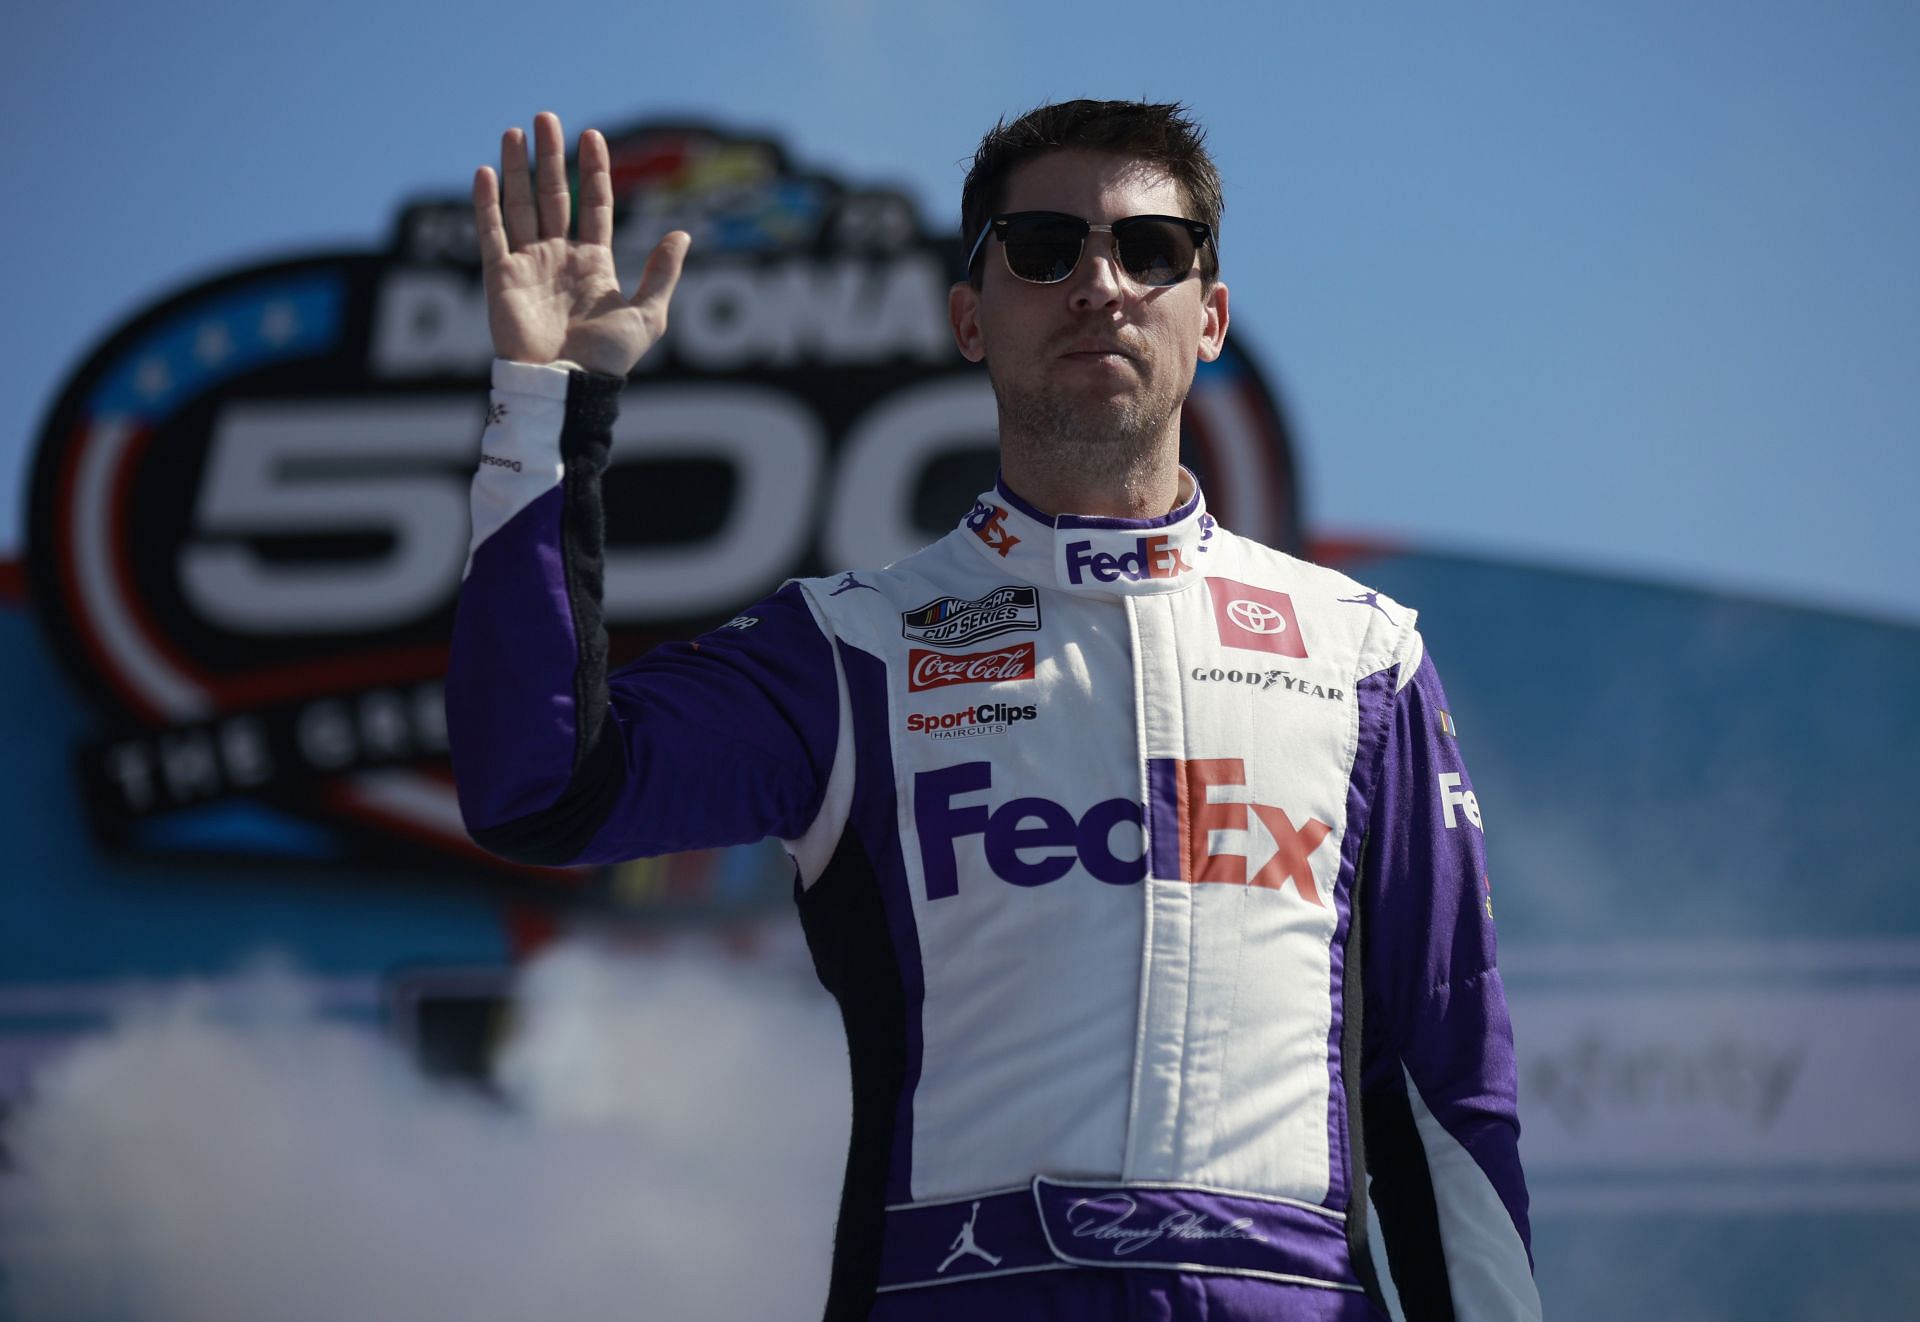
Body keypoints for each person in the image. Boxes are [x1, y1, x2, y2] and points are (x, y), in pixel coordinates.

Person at [447, 101, 1540, 1322]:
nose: (1100, 283)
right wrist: (547, 404)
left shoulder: (1361, 655)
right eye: (1043, 247)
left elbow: (1446, 1084)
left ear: (1210, 317)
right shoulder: (852, 647)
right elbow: (539, 785)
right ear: (971, 316)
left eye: (1152, 251)